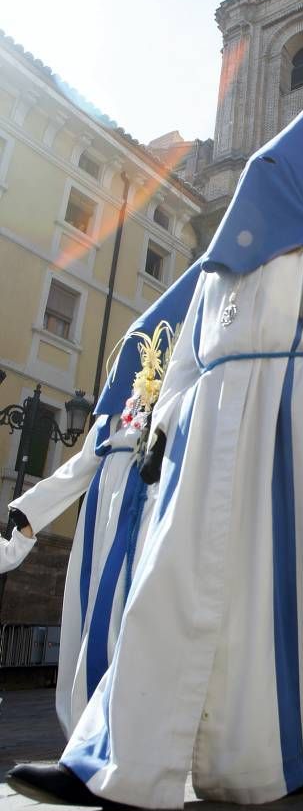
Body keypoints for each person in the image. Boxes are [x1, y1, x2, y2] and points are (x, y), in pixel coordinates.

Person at [8, 100, 303, 810]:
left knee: (268, 589)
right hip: (203, 438)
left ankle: (299, 748)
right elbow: (185, 361)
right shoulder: (213, 276)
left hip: (289, 438)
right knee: (166, 583)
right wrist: (157, 435)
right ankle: (111, 760)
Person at [6, 267, 199, 737]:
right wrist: (30, 509)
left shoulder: (175, 407)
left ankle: (134, 728)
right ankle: (89, 726)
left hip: (147, 512)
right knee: (92, 614)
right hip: (101, 521)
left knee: (134, 615)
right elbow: (79, 467)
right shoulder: (111, 421)